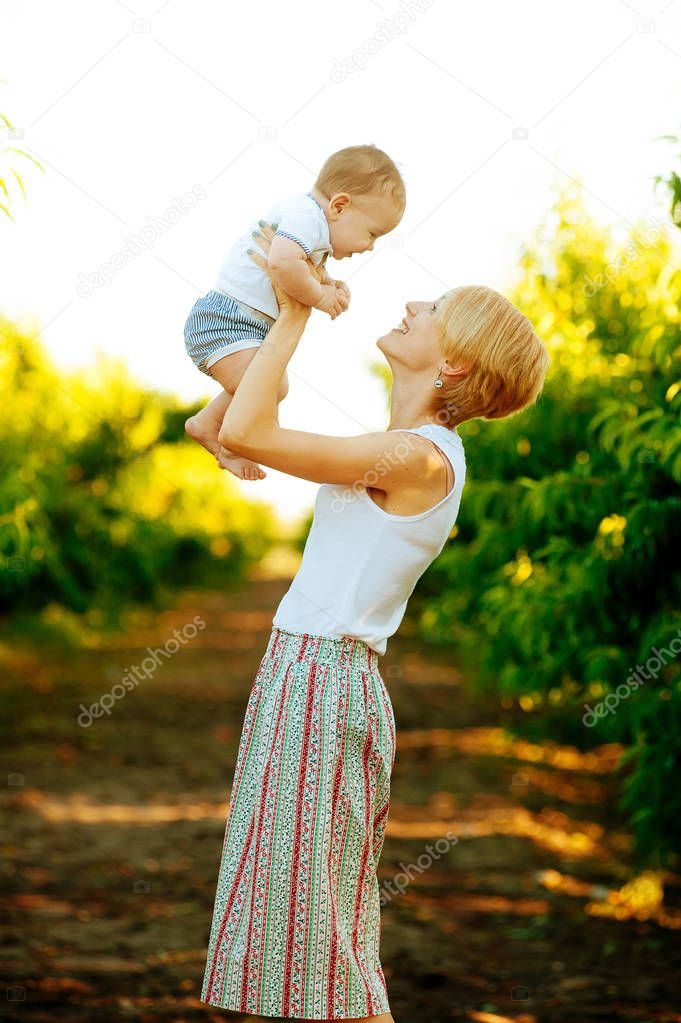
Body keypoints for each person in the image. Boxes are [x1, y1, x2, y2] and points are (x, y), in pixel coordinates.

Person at [200, 223, 550, 1022]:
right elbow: (237, 429)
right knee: (302, 931)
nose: (411, 303)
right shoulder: (412, 448)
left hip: (322, 680)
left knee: (317, 940)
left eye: (433, 309)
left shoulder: (418, 458)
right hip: (307, 673)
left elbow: (246, 432)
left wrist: (293, 310)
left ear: (453, 361)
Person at [183, 144, 406, 481]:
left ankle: (209, 424)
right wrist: (319, 296)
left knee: (273, 385)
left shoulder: (312, 227)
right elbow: (283, 262)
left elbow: (302, 266)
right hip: (225, 322)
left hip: (245, 325)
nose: (370, 246)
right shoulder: (305, 219)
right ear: (340, 205)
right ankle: (230, 439)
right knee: (271, 387)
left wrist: (327, 284)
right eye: (372, 233)